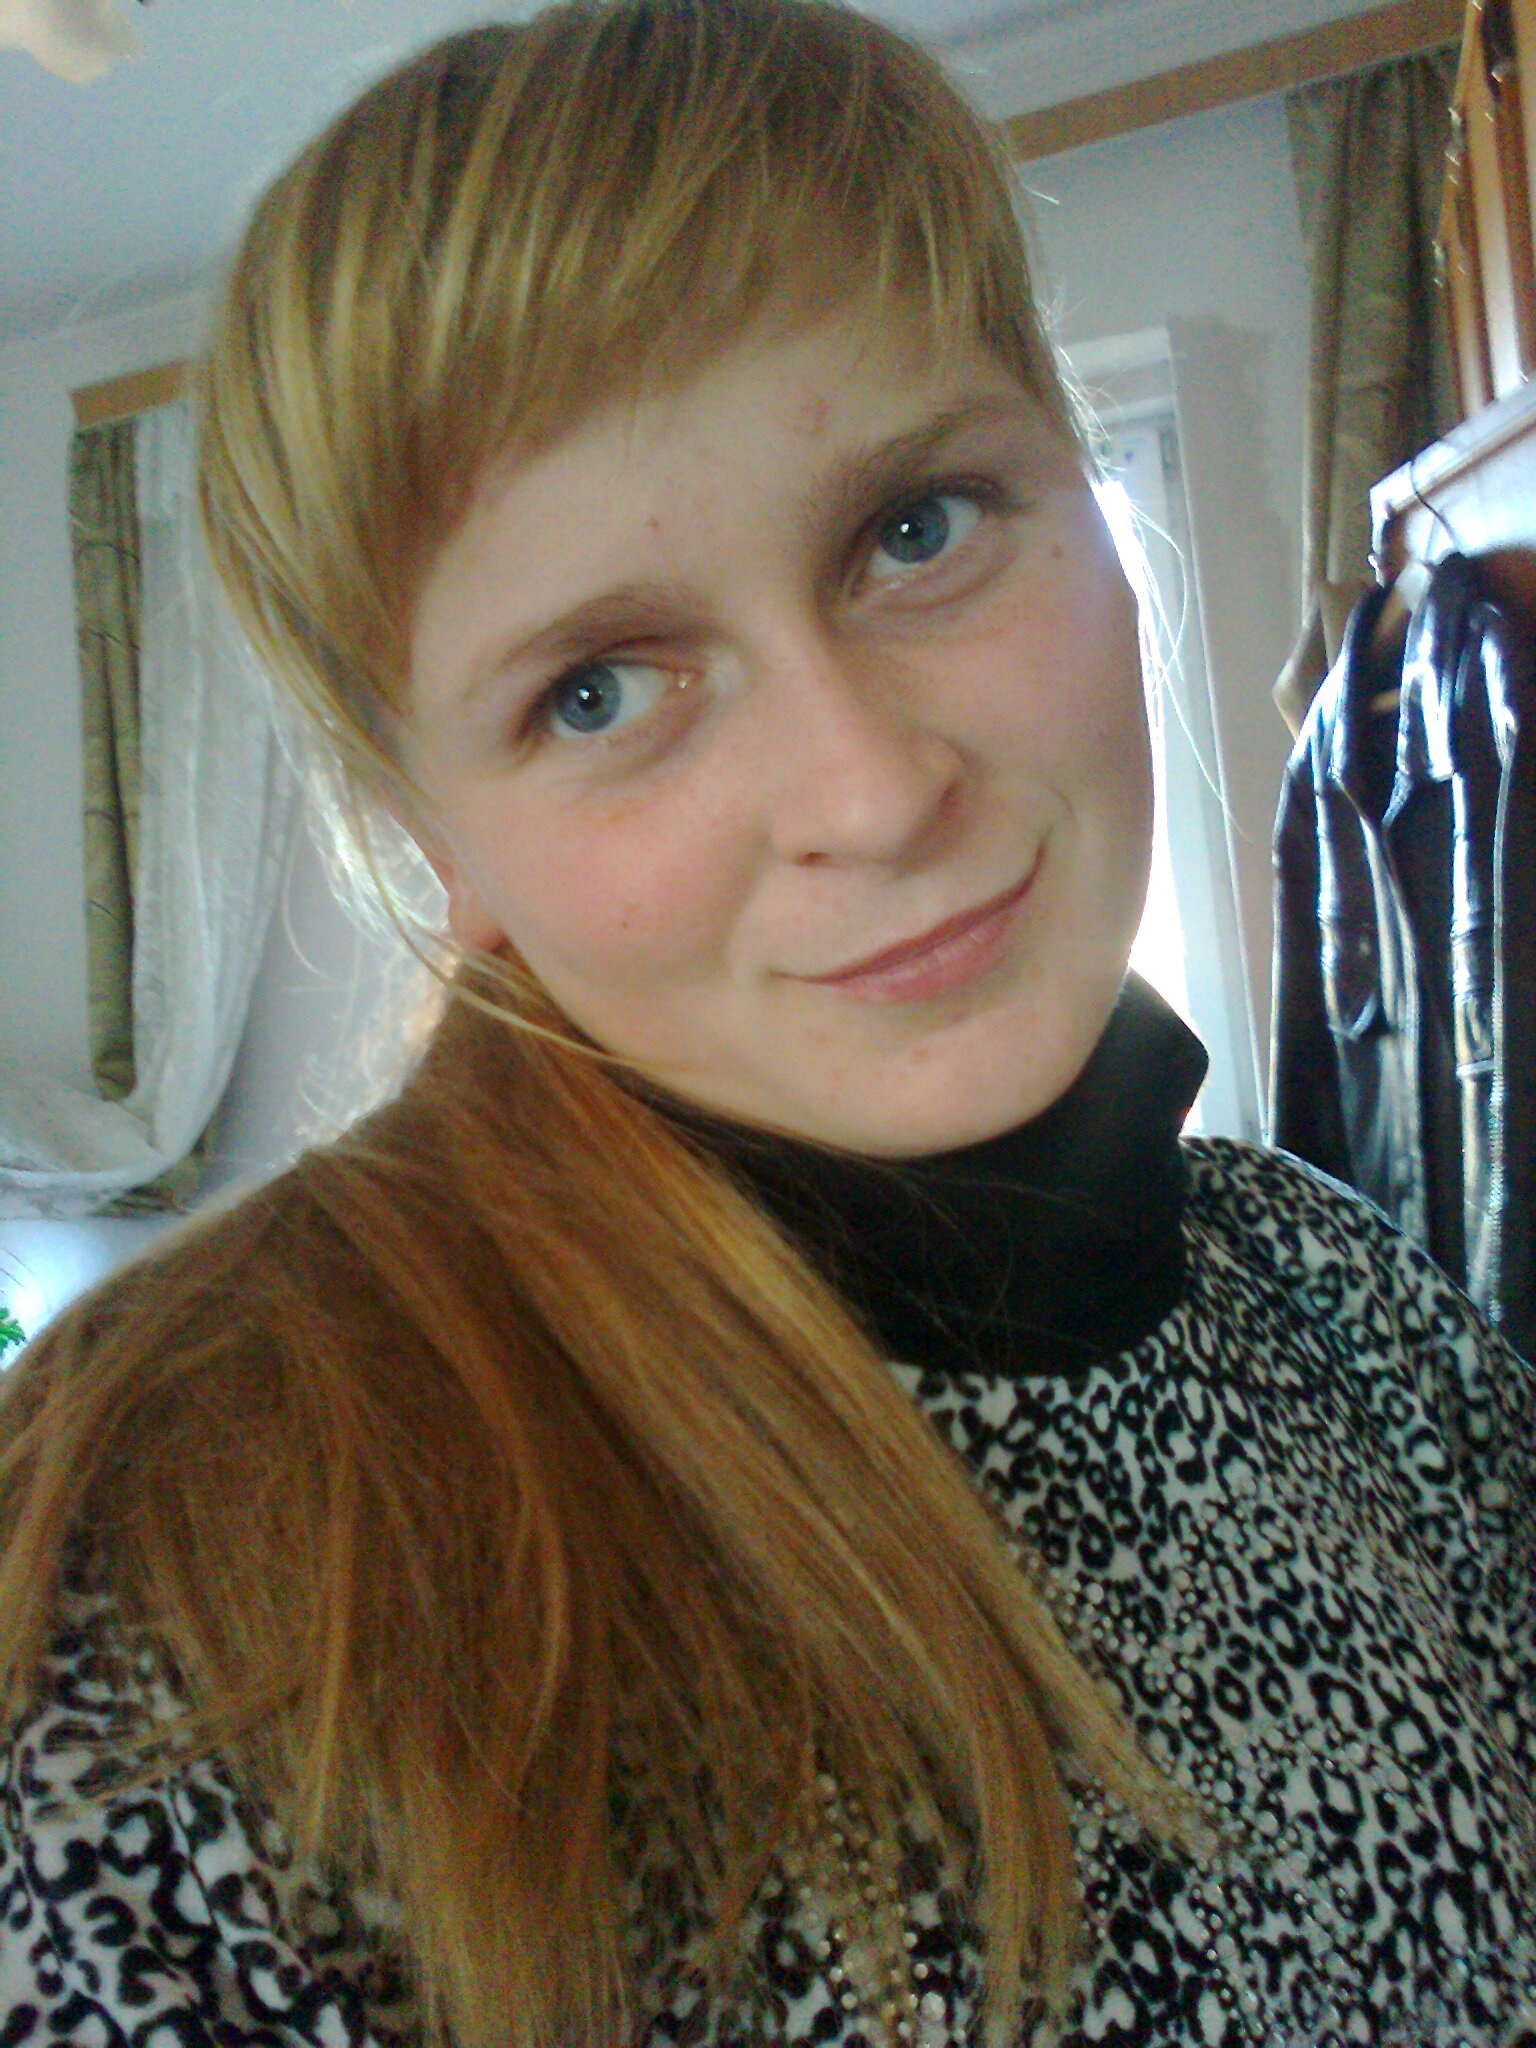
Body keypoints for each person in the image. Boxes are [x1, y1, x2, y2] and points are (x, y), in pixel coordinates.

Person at [0, 3, 1532, 2044]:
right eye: (600, 691)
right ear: (433, 838)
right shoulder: (201, 1577)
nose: (873, 794)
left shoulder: (1339, 1300)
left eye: (918, 528)